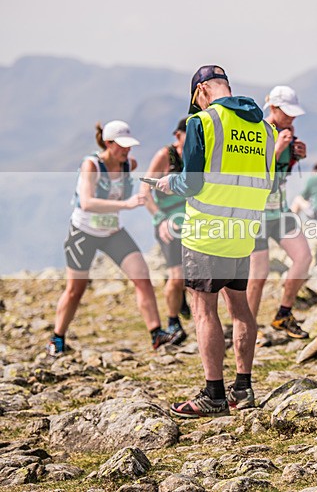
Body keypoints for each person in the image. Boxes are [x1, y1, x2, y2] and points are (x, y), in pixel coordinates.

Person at [156, 65, 276, 418]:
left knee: (204, 309)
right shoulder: (265, 128)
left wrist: (169, 184)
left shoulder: (203, 122)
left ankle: (213, 395)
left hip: (207, 229)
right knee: (240, 309)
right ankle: (244, 387)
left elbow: (191, 182)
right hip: (244, 231)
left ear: (202, 91)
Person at [49, 120, 186, 356]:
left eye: (129, 146)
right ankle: (57, 338)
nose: (127, 151)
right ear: (108, 143)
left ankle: (156, 335)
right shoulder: (91, 165)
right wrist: (126, 203)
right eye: (122, 146)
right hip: (84, 233)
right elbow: (87, 202)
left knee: (142, 278)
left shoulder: (128, 164)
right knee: (75, 289)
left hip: (113, 232)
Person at [249, 86, 312, 341]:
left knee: (304, 258)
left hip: (280, 210)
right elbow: (254, 173)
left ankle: (284, 314)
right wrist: (276, 150)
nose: (292, 119)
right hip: (257, 214)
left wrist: (296, 156)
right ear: (272, 108)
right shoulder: (257, 132)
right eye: (287, 113)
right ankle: (247, 326)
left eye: (294, 114)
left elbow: (281, 174)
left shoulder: (288, 132)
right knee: (259, 274)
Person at [141, 117, 191, 337]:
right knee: (177, 276)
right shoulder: (165, 156)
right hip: (169, 223)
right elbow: (145, 191)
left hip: (192, 221)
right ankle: (173, 322)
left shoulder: (196, 156)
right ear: (178, 135)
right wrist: (160, 219)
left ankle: (182, 301)